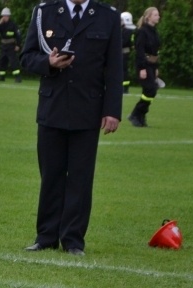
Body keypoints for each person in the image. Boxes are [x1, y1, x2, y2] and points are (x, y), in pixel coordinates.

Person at [20, 0, 122, 255]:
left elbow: (114, 68)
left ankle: (73, 240)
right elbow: (27, 57)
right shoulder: (45, 12)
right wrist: (49, 63)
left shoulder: (107, 16)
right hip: (52, 108)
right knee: (51, 176)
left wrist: (112, 111)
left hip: (88, 110)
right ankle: (46, 236)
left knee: (80, 178)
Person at [127, 7, 161, 128]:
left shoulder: (154, 31)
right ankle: (135, 114)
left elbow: (156, 51)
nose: (158, 17)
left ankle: (141, 116)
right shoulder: (142, 31)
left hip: (152, 65)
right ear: (148, 17)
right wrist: (142, 68)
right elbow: (139, 50)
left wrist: (156, 67)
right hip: (144, 64)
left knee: (151, 91)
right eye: (156, 15)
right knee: (150, 89)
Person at [0, 7, 22, 83]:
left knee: (13, 62)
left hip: (11, 46)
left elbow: (18, 35)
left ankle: (18, 77)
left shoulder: (13, 25)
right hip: (3, 46)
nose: (4, 17)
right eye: (3, 16)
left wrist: (18, 45)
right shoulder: (1, 24)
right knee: (2, 61)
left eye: (5, 16)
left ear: (8, 16)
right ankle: (1, 77)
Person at [121, 12, 136, 94]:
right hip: (122, 52)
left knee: (124, 70)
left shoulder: (127, 31)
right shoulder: (125, 30)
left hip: (124, 52)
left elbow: (124, 42)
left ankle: (125, 88)